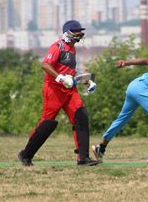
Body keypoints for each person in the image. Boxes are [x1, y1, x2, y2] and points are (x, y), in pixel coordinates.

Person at [18, 20, 97, 166]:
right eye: (76, 31)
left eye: (80, 31)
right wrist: (60, 78)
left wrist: (87, 81)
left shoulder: (72, 49)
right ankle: (26, 154)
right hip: (54, 89)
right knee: (47, 123)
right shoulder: (57, 46)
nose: (79, 34)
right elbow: (45, 65)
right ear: (67, 33)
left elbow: (70, 72)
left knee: (81, 117)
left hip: (69, 91)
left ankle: (83, 158)